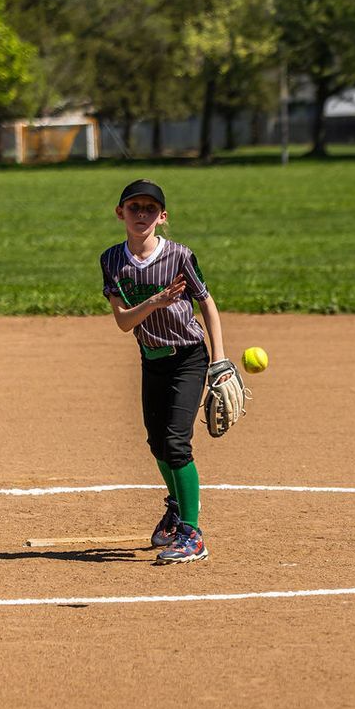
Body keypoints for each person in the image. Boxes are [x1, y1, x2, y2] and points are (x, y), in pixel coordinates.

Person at [99, 178, 228, 564]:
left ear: (162, 216)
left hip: (189, 357)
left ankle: (192, 535)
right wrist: (155, 301)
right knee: (156, 443)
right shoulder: (111, 260)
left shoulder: (180, 256)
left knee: (175, 442)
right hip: (151, 358)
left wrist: (219, 360)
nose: (142, 214)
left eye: (150, 209)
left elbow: (208, 305)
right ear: (120, 212)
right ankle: (175, 506)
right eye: (134, 207)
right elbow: (124, 323)